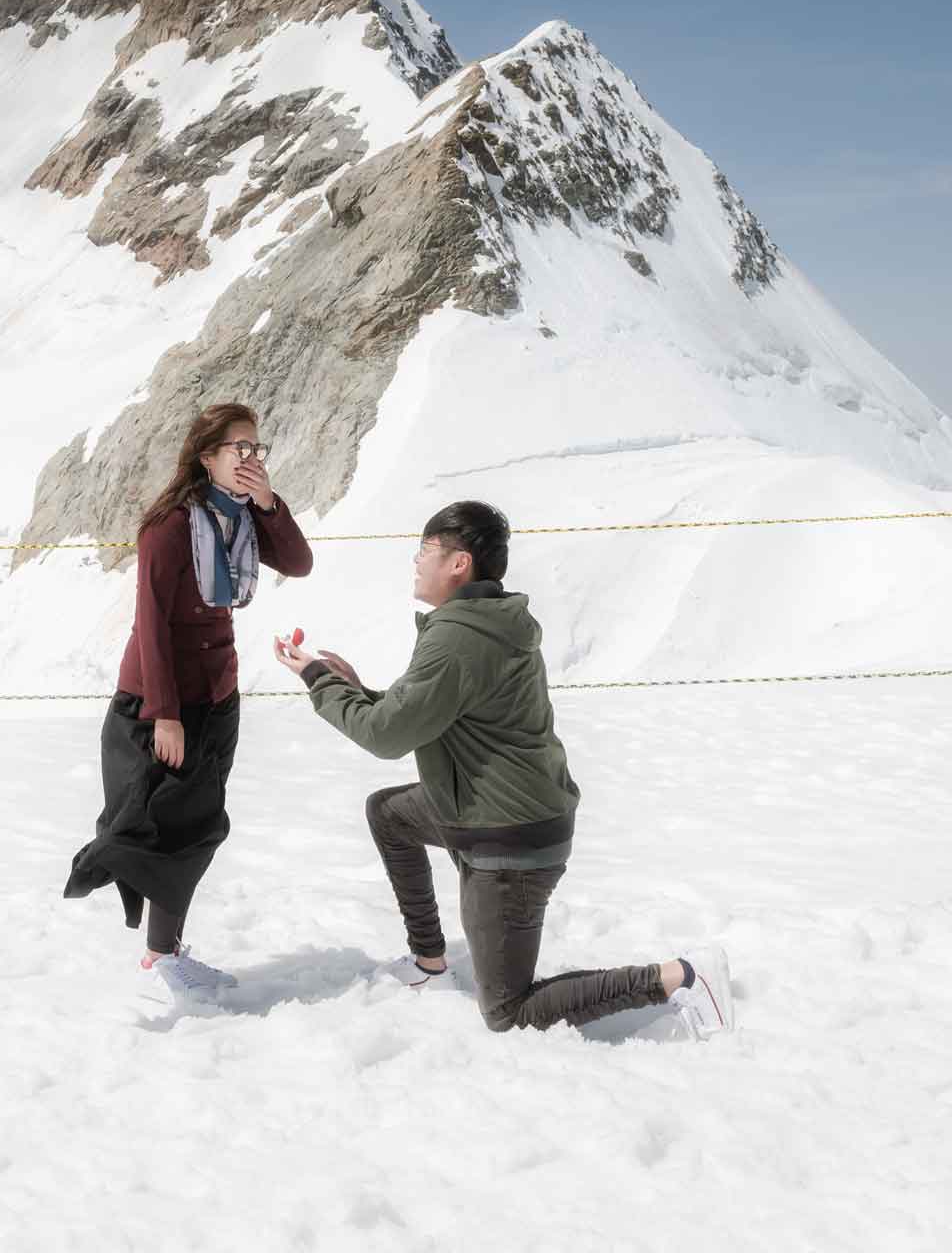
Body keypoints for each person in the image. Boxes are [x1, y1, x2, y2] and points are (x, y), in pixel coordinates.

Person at [272, 500, 733, 1036]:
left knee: (508, 1013)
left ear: (458, 563)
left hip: (510, 839)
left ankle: (684, 978)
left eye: (424, 552)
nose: (416, 563)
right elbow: (425, 713)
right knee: (389, 813)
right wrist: (355, 689)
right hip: (495, 808)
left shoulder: (456, 637)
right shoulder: (488, 622)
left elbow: (385, 735)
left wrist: (317, 680)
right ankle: (429, 965)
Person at [64, 403, 313, 997]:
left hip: (217, 696)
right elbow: (151, 624)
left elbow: (299, 563)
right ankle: (111, 875)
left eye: (258, 449)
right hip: (158, 701)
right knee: (158, 826)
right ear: (207, 458)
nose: (252, 459)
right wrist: (165, 716)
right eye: (240, 449)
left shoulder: (244, 518)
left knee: (199, 827)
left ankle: (163, 953)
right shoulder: (172, 525)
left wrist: (270, 504)